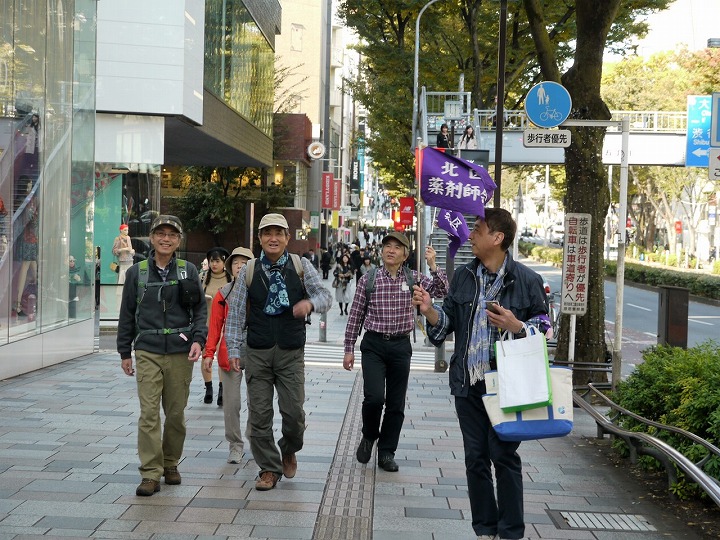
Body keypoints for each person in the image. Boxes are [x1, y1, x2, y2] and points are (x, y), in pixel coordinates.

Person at [412, 208, 550, 540]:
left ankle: (511, 532)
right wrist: (429, 309)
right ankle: (485, 529)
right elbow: (447, 325)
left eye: (478, 230)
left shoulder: (527, 280)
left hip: (508, 383)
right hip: (468, 382)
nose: (470, 235)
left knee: (503, 455)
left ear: (497, 238)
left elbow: (546, 329)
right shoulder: (463, 276)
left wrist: (516, 326)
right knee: (476, 458)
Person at [225, 213, 332, 491]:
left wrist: (309, 304)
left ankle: (288, 448)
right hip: (257, 352)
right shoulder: (249, 270)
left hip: (290, 353)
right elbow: (235, 313)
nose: (273, 238)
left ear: (287, 238)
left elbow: (324, 296)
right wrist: (234, 349)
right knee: (259, 416)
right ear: (259, 239)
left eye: (279, 233)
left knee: (294, 415)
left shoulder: (301, 266)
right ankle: (269, 469)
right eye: (267, 233)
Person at [117, 215, 207, 497]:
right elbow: (127, 314)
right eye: (160, 234)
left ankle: (171, 463)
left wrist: (198, 340)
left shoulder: (188, 271)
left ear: (179, 240)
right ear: (152, 238)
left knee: (176, 414)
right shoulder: (137, 272)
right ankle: (150, 473)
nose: (166, 239)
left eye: (172, 235)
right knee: (148, 414)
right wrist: (124, 351)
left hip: (180, 351)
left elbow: (200, 311)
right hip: (147, 350)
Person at [343, 232, 448, 472]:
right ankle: (369, 435)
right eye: (387, 246)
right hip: (374, 345)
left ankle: (387, 452)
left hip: (401, 346)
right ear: (382, 251)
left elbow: (443, 290)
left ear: (405, 254)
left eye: (397, 247)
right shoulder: (369, 279)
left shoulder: (414, 278)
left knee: (395, 404)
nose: (391, 250)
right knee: (375, 397)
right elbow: (356, 315)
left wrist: (433, 265)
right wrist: (349, 349)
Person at [203, 246, 255, 464]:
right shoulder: (223, 293)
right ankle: (235, 445)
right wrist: (209, 354)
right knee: (231, 404)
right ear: (230, 266)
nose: (240, 267)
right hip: (228, 354)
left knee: (257, 403)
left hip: (256, 354)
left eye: (245, 263)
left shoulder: (261, 293)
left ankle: (254, 440)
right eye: (236, 263)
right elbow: (215, 326)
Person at [201, 247, 232, 406]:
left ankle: (221, 389)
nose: (214, 264)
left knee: (221, 356)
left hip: (224, 325)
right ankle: (208, 388)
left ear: (224, 262)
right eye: (212, 261)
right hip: (205, 324)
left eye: (217, 261)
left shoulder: (231, 279)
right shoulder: (202, 277)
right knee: (206, 355)